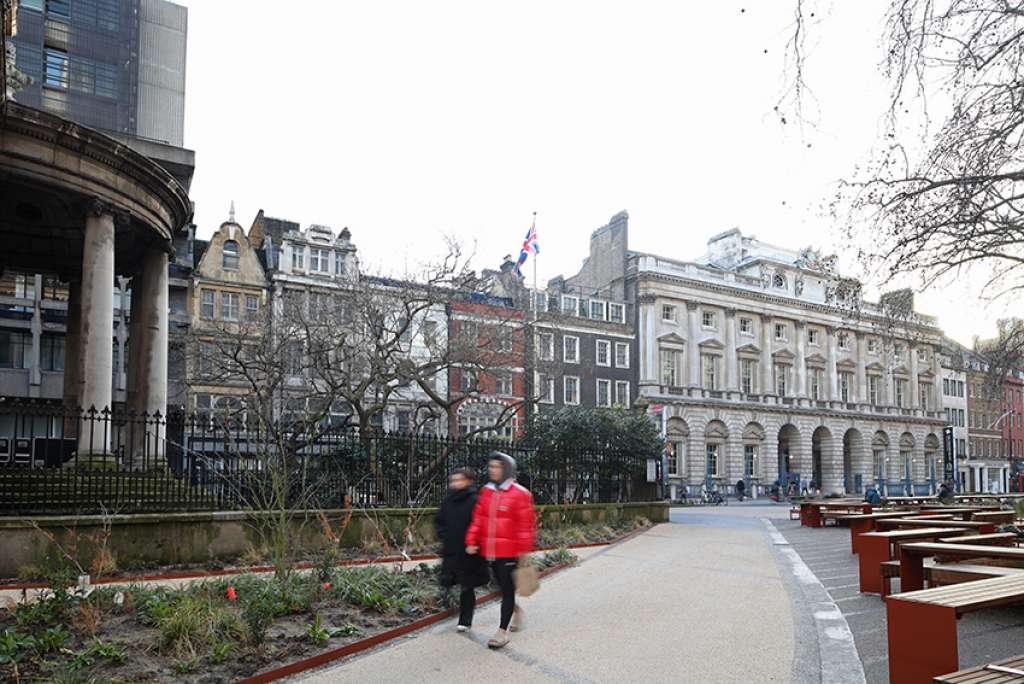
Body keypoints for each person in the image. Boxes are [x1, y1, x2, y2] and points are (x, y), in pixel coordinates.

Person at [465, 451, 536, 650]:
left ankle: (502, 632)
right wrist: (471, 540)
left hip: (510, 553)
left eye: (497, 467)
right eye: (491, 466)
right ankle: (516, 610)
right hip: (489, 551)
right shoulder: (486, 492)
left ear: (507, 469)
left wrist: (522, 552)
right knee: (498, 589)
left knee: (506, 590)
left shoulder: (520, 493)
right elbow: (478, 518)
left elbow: (526, 526)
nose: (492, 470)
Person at [435, 468, 488, 632]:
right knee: (448, 579)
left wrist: (474, 543)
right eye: (453, 480)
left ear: (468, 481)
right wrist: (443, 535)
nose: (456, 483)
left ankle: (465, 619)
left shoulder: (475, 500)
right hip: (451, 548)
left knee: (467, 585)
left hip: (469, 551)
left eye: (459, 480)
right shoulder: (447, 500)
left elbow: (481, 523)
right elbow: (439, 521)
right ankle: (447, 608)